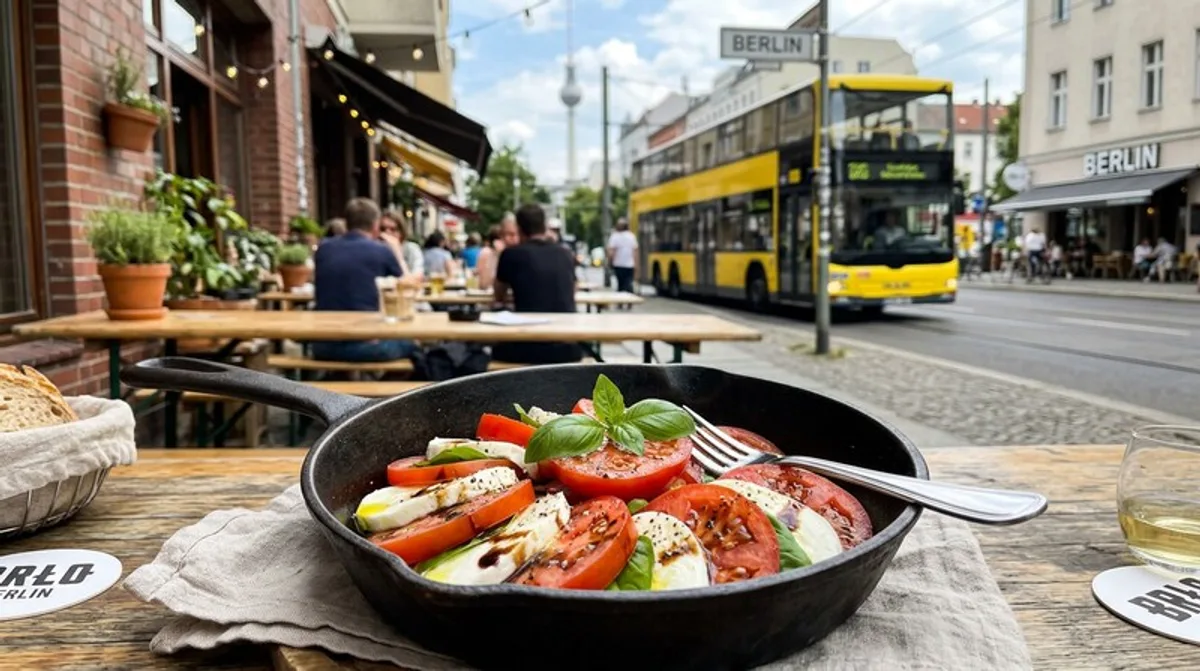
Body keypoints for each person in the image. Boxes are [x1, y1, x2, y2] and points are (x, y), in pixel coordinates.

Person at [311, 198, 415, 362]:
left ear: (346, 223)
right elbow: (409, 287)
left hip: (322, 345)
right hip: (368, 346)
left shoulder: (323, 248)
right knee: (413, 345)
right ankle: (386, 387)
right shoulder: (382, 251)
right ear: (375, 225)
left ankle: (344, 381)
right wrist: (397, 252)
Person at [492, 204, 583, 364]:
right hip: (568, 348)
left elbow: (498, 295)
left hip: (528, 346)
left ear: (519, 229)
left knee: (489, 349)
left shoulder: (511, 254)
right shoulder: (565, 253)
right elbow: (572, 289)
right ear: (545, 226)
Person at [478, 213, 519, 290]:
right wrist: (498, 256)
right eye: (507, 234)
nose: (514, 239)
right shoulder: (495, 253)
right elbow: (483, 285)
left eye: (515, 234)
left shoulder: (525, 255)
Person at [379, 211, 424, 281]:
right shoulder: (374, 250)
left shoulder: (411, 249)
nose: (387, 233)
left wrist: (397, 253)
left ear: (401, 233)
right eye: (382, 229)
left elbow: (416, 278)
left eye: (393, 229)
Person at [607, 217, 638, 300]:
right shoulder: (631, 236)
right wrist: (636, 264)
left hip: (618, 264)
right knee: (628, 283)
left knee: (620, 284)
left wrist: (610, 262)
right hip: (629, 264)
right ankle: (630, 301)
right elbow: (635, 251)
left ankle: (620, 302)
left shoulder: (615, 237)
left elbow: (611, 251)